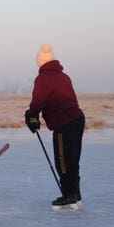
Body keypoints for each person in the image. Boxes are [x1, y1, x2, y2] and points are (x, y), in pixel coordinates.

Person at [24, 44, 85, 210]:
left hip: (63, 122)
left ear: (41, 61)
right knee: (73, 159)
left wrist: (32, 115)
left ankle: (68, 195)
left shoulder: (43, 78)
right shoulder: (64, 76)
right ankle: (75, 194)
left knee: (63, 160)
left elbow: (38, 100)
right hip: (77, 118)